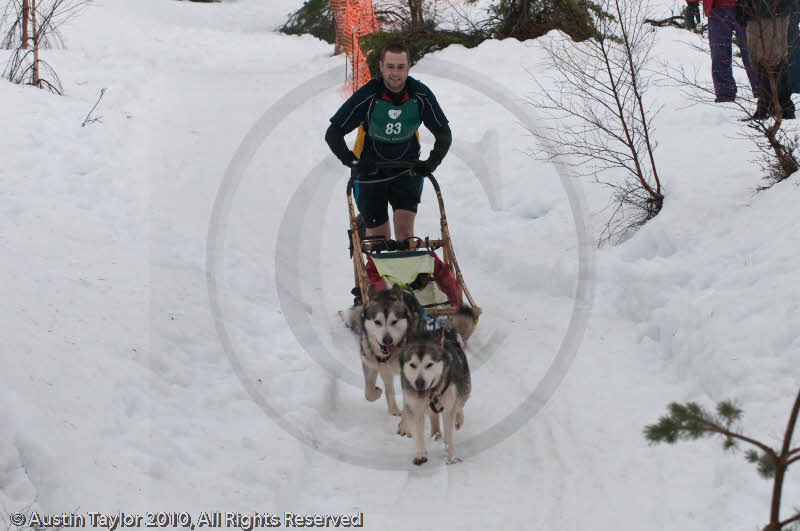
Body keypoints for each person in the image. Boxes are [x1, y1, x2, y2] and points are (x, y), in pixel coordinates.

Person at [325, 43, 452, 244]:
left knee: (405, 236)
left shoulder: (420, 95)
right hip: (370, 171)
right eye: (390, 66)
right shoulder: (368, 95)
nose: (395, 73)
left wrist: (431, 162)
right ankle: (368, 239)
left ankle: (409, 275)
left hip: (406, 169)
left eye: (400, 67)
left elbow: (443, 133)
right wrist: (353, 162)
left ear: (408, 67)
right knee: (380, 239)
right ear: (382, 66)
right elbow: (333, 133)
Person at [685, 0, 760, 102]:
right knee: (718, 54)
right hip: (716, 8)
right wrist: (692, 3)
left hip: (745, 5)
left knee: (752, 52)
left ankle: (763, 93)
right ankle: (724, 93)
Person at [735, 0, 796, 119]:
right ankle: (780, 106)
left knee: (767, 57)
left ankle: (770, 106)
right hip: (769, 8)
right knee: (773, 56)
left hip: (765, 9)